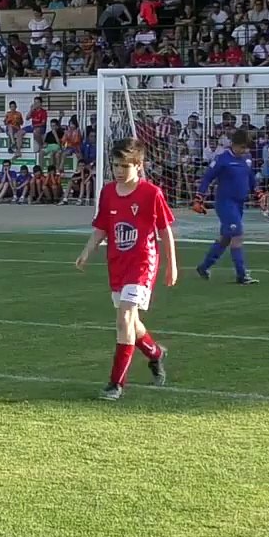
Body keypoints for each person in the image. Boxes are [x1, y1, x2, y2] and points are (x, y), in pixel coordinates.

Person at [75, 139, 178, 400]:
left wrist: (172, 265)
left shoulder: (151, 193)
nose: (119, 171)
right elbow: (102, 227)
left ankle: (116, 384)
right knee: (132, 322)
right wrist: (87, 250)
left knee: (123, 319)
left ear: (139, 165)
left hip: (142, 264)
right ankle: (155, 353)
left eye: (125, 166)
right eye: (116, 165)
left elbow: (165, 231)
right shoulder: (108, 192)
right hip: (117, 264)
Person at [194, 128, 261, 285]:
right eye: (242, 147)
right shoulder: (222, 159)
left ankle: (204, 267)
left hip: (239, 204)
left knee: (226, 238)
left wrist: (258, 192)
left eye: (246, 148)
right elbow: (207, 178)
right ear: (234, 144)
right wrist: (199, 197)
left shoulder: (246, 160)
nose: (244, 151)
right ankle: (241, 274)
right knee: (237, 235)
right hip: (225, 203)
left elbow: (250, 177)